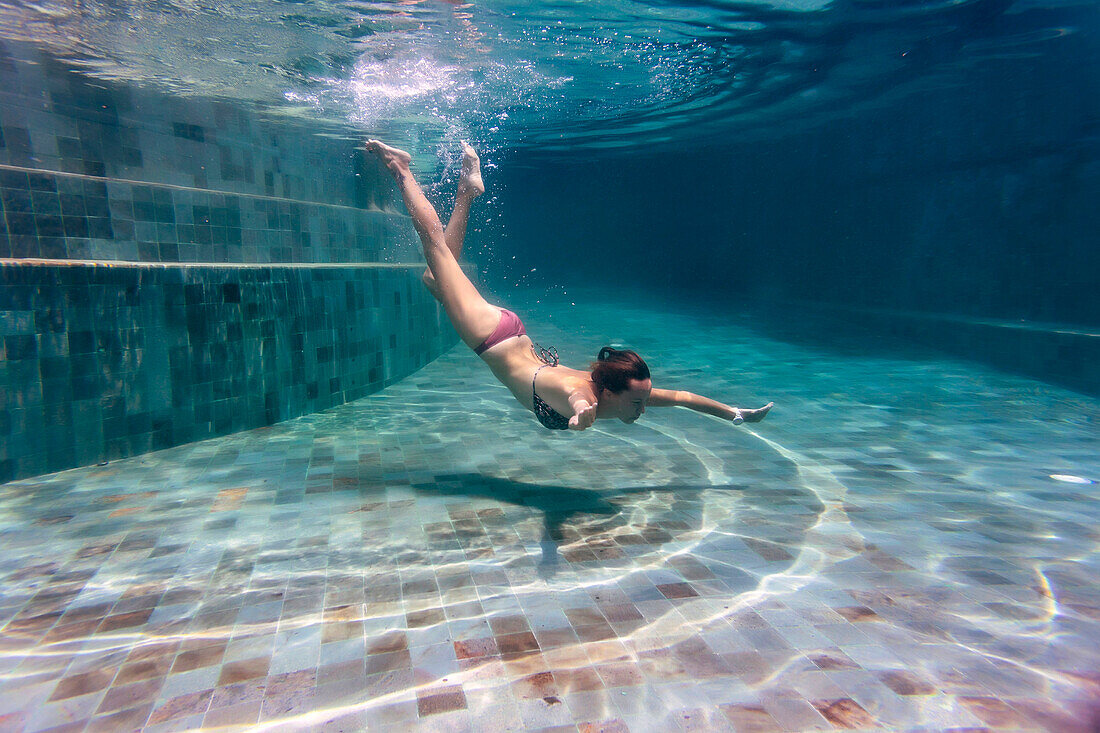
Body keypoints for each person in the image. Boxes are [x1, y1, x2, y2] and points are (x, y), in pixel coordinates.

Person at [365, 140, 773, 432]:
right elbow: (574, 397)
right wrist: (580, 415)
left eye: (644, 400)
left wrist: (735, 412)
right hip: (490, 335)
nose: (644, 409)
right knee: (434, 253)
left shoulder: (623, 397)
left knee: (437, 277)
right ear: (608, 392)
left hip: (509, 335)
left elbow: (683, 397)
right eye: (637, 402)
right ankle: (402, 167)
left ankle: (467, 191)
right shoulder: (578, 393)